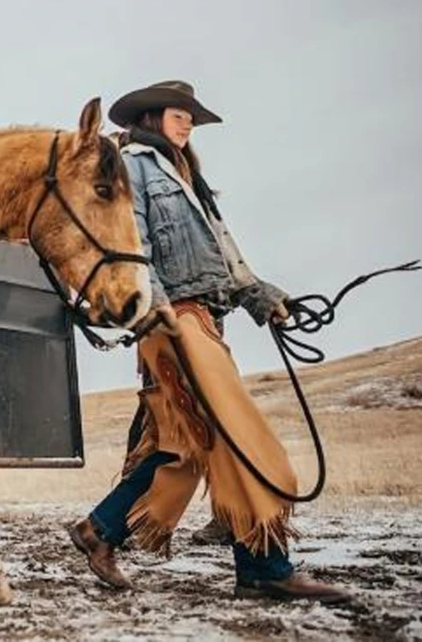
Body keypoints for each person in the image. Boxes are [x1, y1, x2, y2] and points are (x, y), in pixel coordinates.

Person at [69, 80, 350, 603]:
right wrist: (158, 312)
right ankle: (266, 566)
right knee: (235, 438)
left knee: (184, 448)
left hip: (203, 319)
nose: (189, 123)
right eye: (181, 114)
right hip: (174, 320)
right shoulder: (132, 165)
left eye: (192, 117)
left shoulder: (188, 176)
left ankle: (100, 530)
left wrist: (262, 296)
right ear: (153, 116)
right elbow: (132, 244)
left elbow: (226, 254)